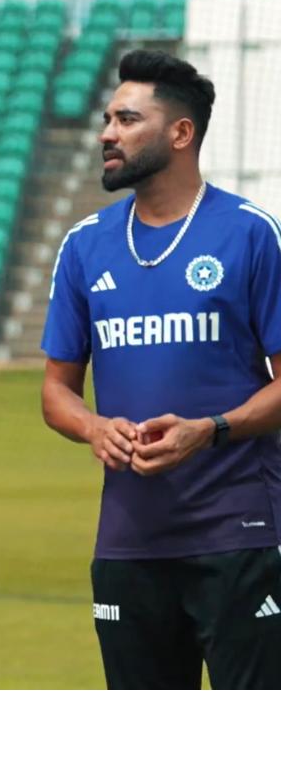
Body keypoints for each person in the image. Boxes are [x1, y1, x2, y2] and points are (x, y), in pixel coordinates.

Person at [41, 49, 281, 689]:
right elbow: (56, 391)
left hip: (240, 534)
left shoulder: (250, 234)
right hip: (128, 542)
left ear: (181, 133)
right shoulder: (84, 244)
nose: (106, 134)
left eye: (126, 119)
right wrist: (93, 428)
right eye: (107, 119)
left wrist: (211, 429)